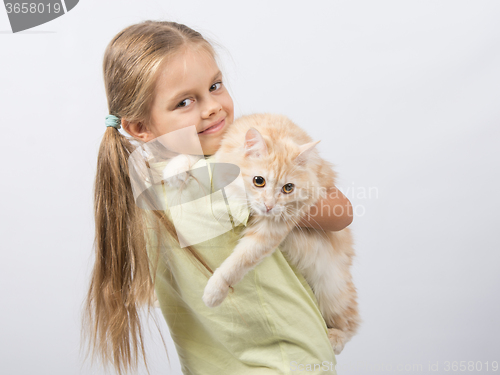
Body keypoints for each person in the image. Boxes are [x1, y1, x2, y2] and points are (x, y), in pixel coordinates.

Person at [82, 20, 354, 375]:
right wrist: (285, 181)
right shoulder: (199, 182)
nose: (212, 107)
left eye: (215, 85)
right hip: (285, 364)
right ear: (139, 128)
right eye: (184, 101)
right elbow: (342, 211)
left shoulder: (139, 183)